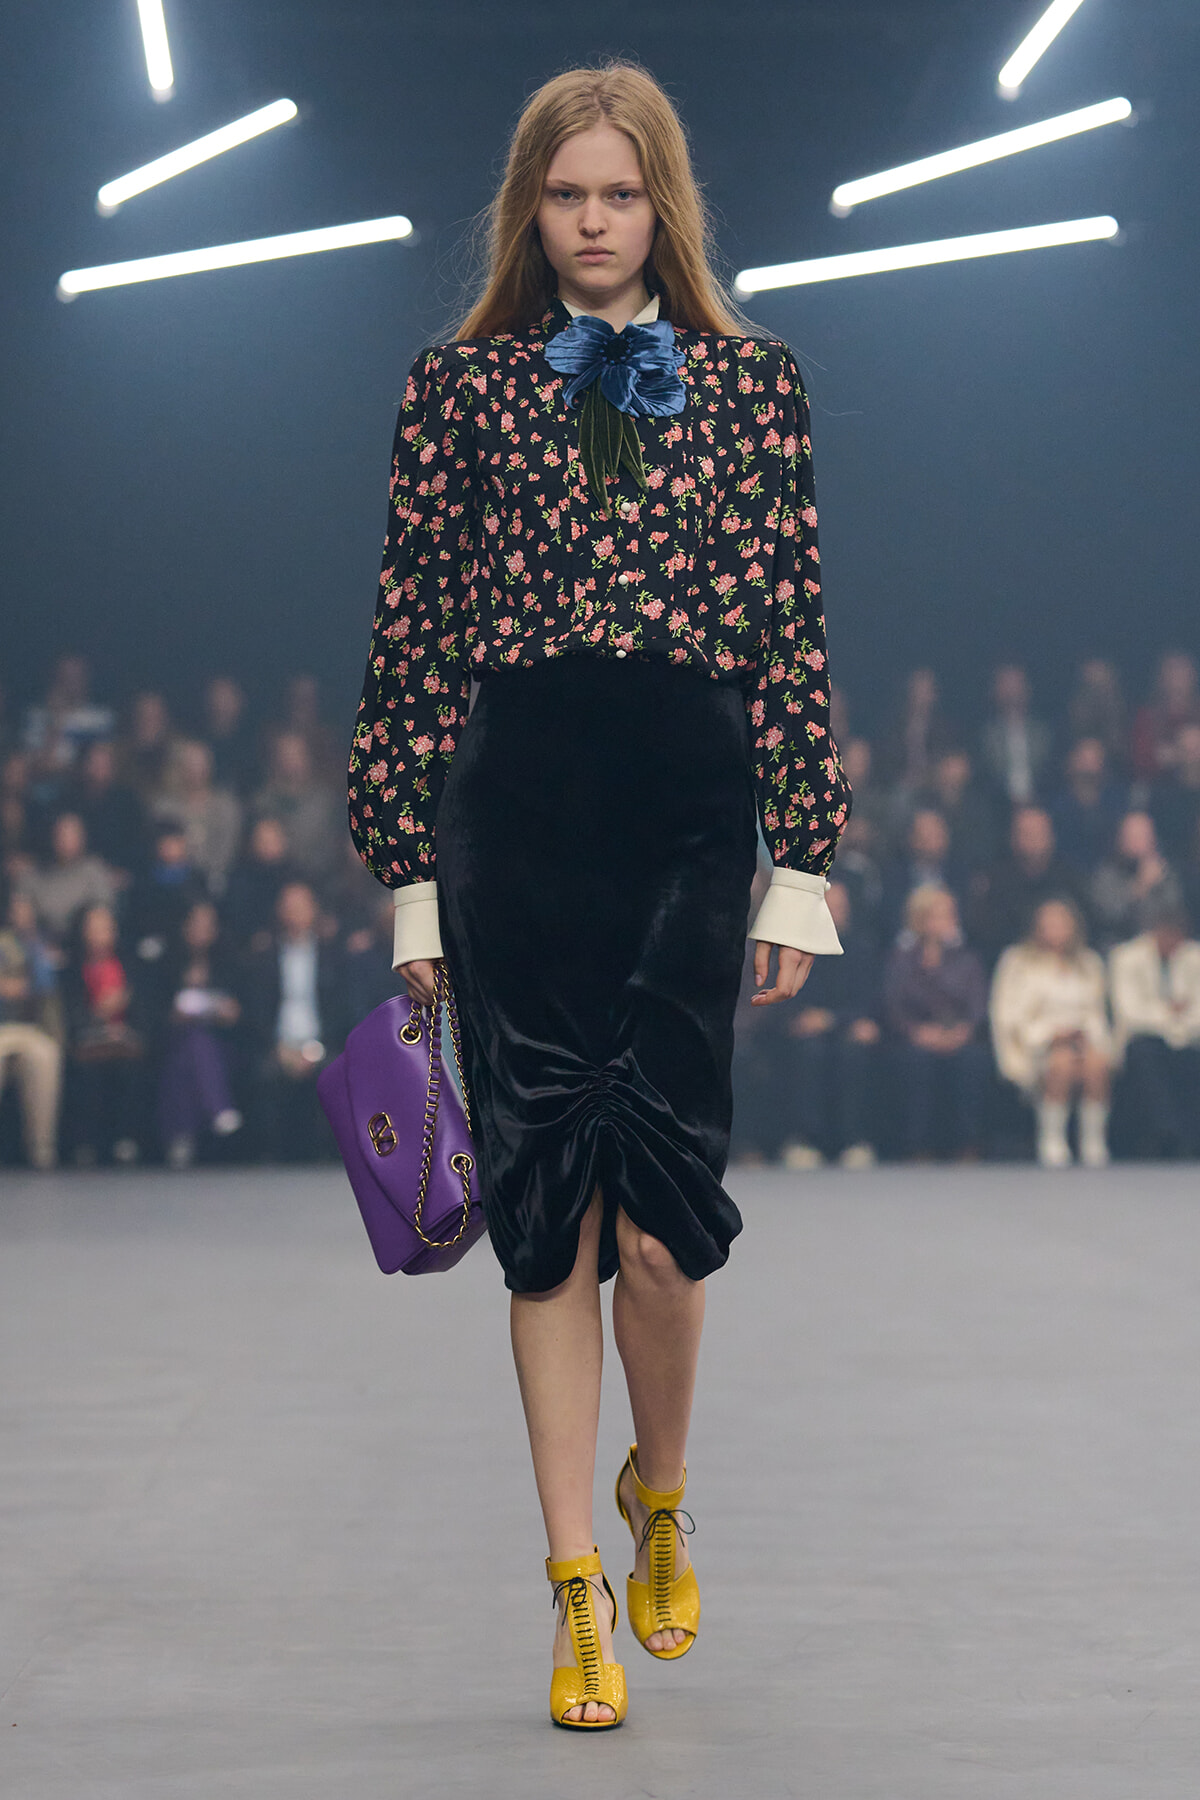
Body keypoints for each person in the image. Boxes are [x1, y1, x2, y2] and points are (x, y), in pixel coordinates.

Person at [346, 63, 850, 1730]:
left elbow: (789, 617)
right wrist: (411, 884)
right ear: (528, 208)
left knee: (665, 1226)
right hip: (522, 807)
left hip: (693, 813)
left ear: (663, 207)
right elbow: (413, 637)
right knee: (545, 1217)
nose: (590, 220)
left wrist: (808, 863)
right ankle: (575, 1587)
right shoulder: (459, 391)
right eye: (564, 194)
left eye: (618, 194)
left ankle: (663, 1486)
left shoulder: (756, 382)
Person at [989, 897, 1112, 1169]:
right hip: (1036, 1045)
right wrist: (1049, 1034)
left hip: (1082, 1040)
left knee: (1097, 1064)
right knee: (1061, 1063)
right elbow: (1008, 1015)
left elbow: (1097, 1013)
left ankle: (1093, 1140)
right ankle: (1052, 1139)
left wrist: (1085, 1035)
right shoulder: (1017, 961)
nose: (1056, 931)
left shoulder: (1089, 962)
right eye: (1049, 925)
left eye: (1062, 924)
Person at [776, 880, 881, 1169]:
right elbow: (786, 998)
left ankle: (852, 1140)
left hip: (846, 1028)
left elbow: (870, 1001)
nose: (836, 913)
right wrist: (802, 1018)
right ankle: (806, 1139)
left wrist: (833, 1020)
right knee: (811, 1051)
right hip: (808, 1032)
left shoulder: (863, 947)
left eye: (840, 908)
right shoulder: (795, 948)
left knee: (853, 1051)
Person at [242, 881, 348, 1162]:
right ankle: (270, 1150)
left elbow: (341, 1010)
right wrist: (279, 1047)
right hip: (278, 1045)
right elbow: (257, 1010)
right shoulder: (264, 957)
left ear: (314, 911)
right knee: (263, 1071)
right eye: (289, 908)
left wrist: (316, 1049)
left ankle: (326, 1151)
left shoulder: (333, 956)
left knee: (337, 1069)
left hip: (322, 1043)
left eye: (301, 908)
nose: (294, 915)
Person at [883, 886, 989, 1161]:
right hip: (915, 1036)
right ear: (921, 919)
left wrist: (962, 1032)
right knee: (915, 1062)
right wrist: (916, 1032)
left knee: (973, 1061)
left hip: (959, 1034)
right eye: (940, 914)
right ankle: (917, 1145)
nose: (949, 920)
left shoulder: (968, 958)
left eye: (951, 914)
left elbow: (977, 1005)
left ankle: (968, 1143)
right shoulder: (901, 958)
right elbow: (892, 1005)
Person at [156, 899, 243, 1169]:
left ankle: (180, 1137)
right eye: (196, 924)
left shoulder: (228, 962)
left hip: (221, 1044)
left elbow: (241, 1012)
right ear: (184, 927)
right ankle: (218, 1107)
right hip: (172, 1040)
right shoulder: (167, 962)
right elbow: (154, 1011)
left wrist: (228, 1011)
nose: (201, 931)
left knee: (192, 1053)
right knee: (191, 1045)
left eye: (208, 925)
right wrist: (175, 1014)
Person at [1108, 904, 1200, 1157]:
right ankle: (1167, 1134)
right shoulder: (1126, 957)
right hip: (1143, 1038)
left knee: (1190, 1059)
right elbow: (1130, 1013)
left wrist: (1175, 1022)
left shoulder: (1194, 956)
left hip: (1188, 1038)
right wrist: (1170, 1013)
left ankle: (1191, 1139)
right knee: (1146, 1055)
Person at [61, 902, 148, 1166]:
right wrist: (99, 1015)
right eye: (95, 928)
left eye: (106, 927)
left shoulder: (129, 966)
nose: (101, 933)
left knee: (132, 1068)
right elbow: (70, 1014)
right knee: (87, 1073)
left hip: (124, 1039)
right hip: (87, 1040)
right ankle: (86, 1145)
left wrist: (126, 1021)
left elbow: (143, 1009)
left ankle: (126, 1141)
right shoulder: (72, 970)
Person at [966, 806, 1085, 966]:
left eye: (1038, 833)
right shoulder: (995, 881)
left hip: (1064, 963)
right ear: (1012, 838)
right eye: (1026, 833)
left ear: (1051, 836)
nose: (1033, 839)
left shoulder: (1070, 878)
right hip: (1009, 963)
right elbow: (986, 935)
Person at [0, 886, 63, 1169]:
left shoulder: (42, 947)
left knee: (46, 1057)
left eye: (27, 909)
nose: (22, 914)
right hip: (2, 1027)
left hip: (31, 1028)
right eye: (17, 909)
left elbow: (46, 990)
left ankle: (42, 1149)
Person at [17, 811, 118, 945]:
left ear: (82, 838)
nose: (65, 840)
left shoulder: (94, 870)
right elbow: (21, 910)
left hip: (83, 947)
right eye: (61, 834)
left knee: (99, 921)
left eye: (71, 834)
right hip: (40, 947)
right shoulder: (35, 873)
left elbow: (103, 912)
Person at [1089, 810, 1183, 952]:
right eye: (1132, 836)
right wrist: (1140, 887)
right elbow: (1108, 917)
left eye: (1143, 836)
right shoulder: (1106, 874)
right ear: (1120, 839)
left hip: (1161, 949)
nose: (1137, 841)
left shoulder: (1164, 873)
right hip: (1119, 946)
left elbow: (1173, 914)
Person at [1049, 737, 1126, 877]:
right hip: (1066, 876)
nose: (1088, 768)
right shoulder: (1057, 807)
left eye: (1094, 760)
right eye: (1083, 760)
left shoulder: (1117, 804)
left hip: (1111, 877)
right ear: (1071, 762)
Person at [979, 662, 1052, 808]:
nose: (1012, 691)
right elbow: (987, 779)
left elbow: (1048, 774)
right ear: (994, 691)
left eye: (1016, 684)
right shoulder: (985, 735)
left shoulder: (1043, 733)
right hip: (998, 808)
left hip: (1040, 805)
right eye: (1006, 684)